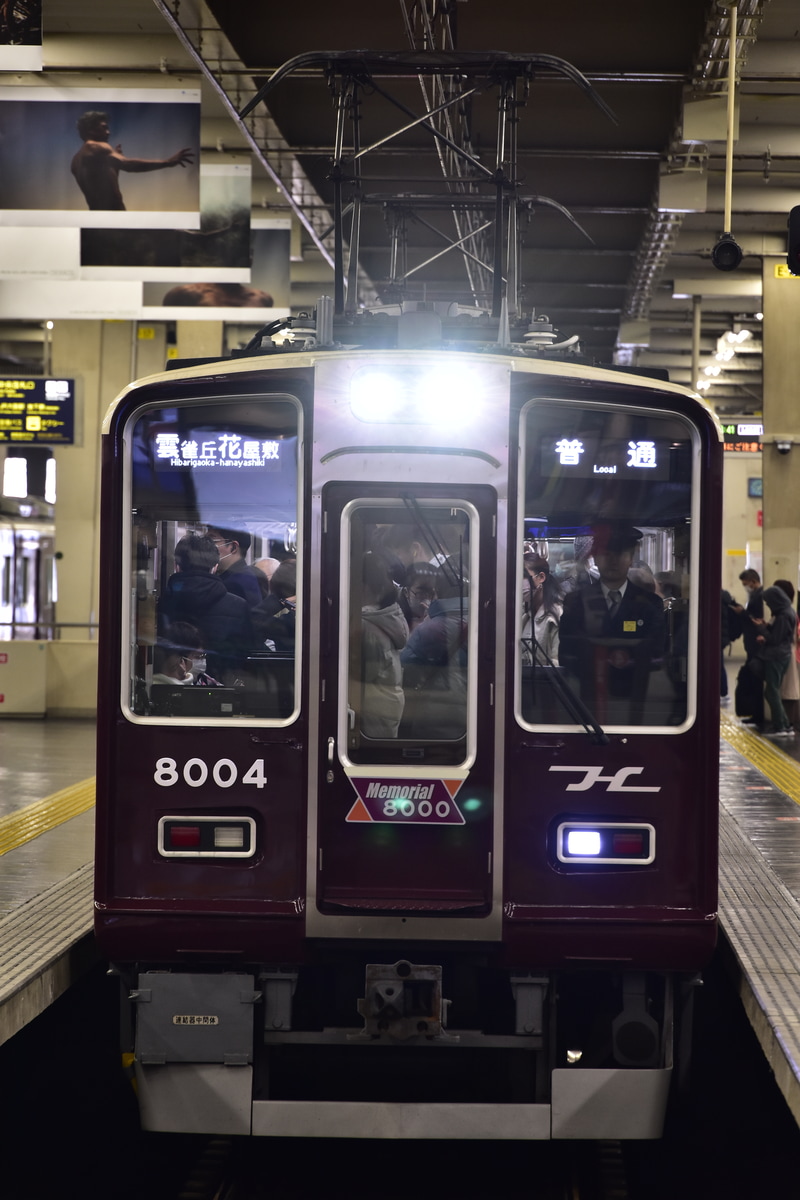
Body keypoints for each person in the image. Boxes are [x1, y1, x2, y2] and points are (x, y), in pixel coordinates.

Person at [558, 524, 665, 722]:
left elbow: (658, 653)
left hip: (640, 700)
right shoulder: (577, 602)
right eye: (606, 554)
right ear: (595, 559)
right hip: (588, 699)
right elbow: (566, 654)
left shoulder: (649, 605)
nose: (613, 561)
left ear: (631, 558)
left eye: (622, 554)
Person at [158, 533, 253, 679]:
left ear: (177, 567)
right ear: (215, 567)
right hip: (223, 690)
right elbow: (243, 658)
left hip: (167, 685)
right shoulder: (238, 606)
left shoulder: (161, 604)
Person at [400, 556, 469, 740]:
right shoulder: (483, 621)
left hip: (436, 717)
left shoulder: (432, 629)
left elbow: (403, 668)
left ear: (437, 591)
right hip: (474, 714)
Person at [70, 111, 194, 211]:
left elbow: (106, 185)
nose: (108, 132)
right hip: (114, 217)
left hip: (99, 217)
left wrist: (115, 164)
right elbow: (128, 165)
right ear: (90, 130)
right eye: (104, 128)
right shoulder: (96, 146)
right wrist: (168, 162)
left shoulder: (76, 160)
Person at [359, 552, 409, 739]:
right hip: (386, 707)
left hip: (372, 714)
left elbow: (357, 676)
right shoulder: (390, 616)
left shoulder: (365, 625)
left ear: (364, 588)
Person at [752, 585, 797, 739]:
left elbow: (774, 639)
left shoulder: (784, 615)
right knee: (772, 691)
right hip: (779, 655)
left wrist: (761, 629)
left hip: (776, 656)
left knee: (772, 691)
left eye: (769, 602)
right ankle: (784, 724)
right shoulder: (785, 612)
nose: (768, 605)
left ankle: (781, 726)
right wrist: (766, 626)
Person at [732, 568, 765, 727]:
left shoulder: (760, 596)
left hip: (756, 646)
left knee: (757, 681)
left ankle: (758, 714)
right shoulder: (755, 595)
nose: (746, 587)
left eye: (746, 584)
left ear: (753, 581)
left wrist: (742, 613)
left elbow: (756, 619)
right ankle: (755, 713)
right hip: (751, 645)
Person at [206, 526, 270, 606]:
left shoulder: (235, 583)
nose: (206, 547)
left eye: (212, 541)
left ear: (233, 547)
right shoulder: (242, 575)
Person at [521, 549, 563, 665]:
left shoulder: (556, 616)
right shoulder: (525, 616)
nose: (519, 582)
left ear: (541, 577)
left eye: (524, 576)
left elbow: (557, 663)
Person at [773, 580, 800, 732]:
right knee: (788, 687)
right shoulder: (788, 612)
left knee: (789, 688)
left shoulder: (787, 613)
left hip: (789, 653)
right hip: (789, 652)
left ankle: (789, 721)